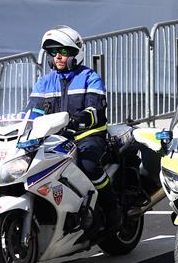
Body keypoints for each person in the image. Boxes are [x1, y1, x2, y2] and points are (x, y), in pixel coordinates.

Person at [26, 25, 119, 228]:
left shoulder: (89, 77)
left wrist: (77, 120)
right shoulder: (44, 83)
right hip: (56, 139)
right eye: (53, 52)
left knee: (88, 166)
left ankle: (112, 210)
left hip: (87, 135)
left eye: (63, 51)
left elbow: (96, 111)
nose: (58, 56)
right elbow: (32, 114)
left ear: (76, 53)